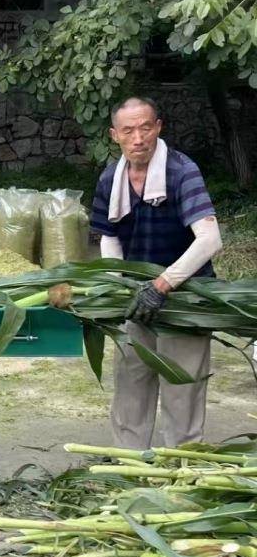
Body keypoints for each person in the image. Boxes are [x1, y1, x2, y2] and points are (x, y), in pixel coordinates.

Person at [90, 97, 223, 450]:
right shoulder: (110, 178)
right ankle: (128, 463)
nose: (138, 139)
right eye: (128, 131)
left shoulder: (181, 171)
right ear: (114, 135)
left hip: (186, 299)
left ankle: (182, 465)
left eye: (145, 128)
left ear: (159, 128)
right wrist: (118, 287)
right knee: (131, 385)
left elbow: (210, 239)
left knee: (182, 388)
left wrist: (162, 285)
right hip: (136, 301)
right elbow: (109, 236)